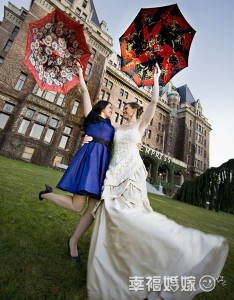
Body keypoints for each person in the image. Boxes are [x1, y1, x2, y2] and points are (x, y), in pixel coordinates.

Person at [86, 66, 229, 300]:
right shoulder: (116, 127)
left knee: (132, 214)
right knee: (112, 212)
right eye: (123, 106)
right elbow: (100, 130)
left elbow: (153, 102)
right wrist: (88, 136)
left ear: (135, 110)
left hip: (131, 173)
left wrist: (156, 80)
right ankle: (119, 256)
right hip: (115, 172)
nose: (123, 108)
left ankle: (178, 247)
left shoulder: (140, 124)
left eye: (127, 106)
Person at [38, 63, 115, 261]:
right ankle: (47, 195)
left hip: (101, 165)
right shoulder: (92, 118)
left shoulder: (111, 126)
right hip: (88, 160)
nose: (113, 109)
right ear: (101, 108)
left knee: (92, 209)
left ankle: (73, 240)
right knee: (77, 206)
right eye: (110, 106)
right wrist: (81, 74)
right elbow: (84, 92)